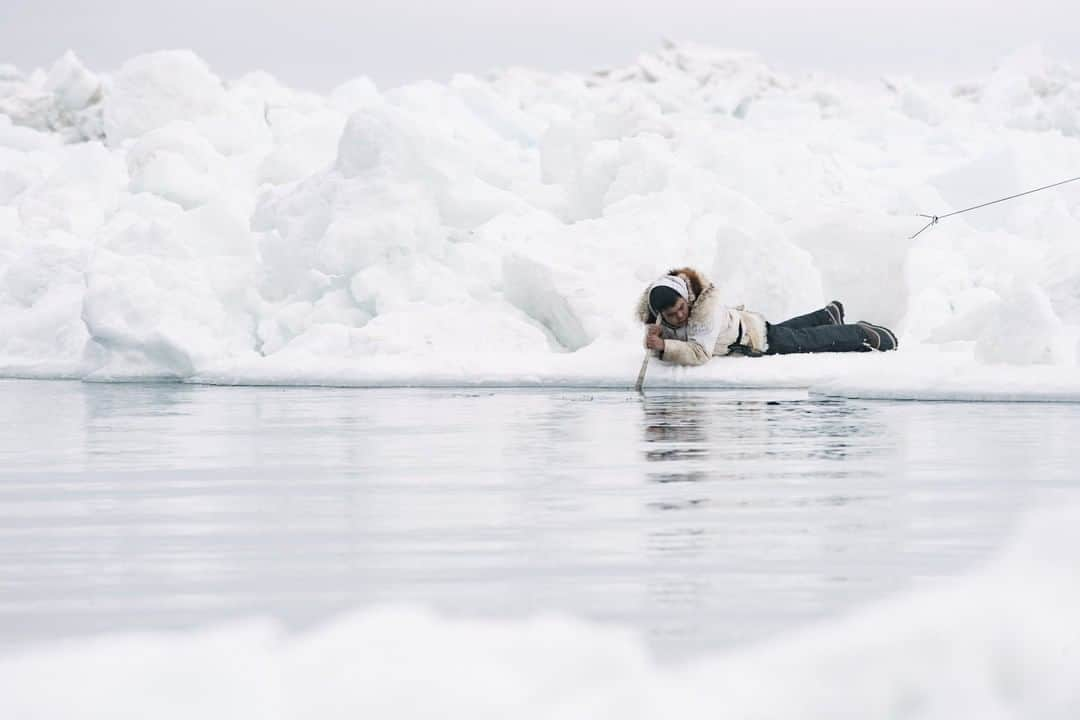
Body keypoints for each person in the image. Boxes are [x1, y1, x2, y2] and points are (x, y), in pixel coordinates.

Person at [637, 267, 897, 365]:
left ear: (687, 297)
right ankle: (827, 316)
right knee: (789, 333)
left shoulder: (706, 310)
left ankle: (862, 334)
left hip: (753, 337)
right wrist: (655, 340)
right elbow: (665, 342)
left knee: (804, 341)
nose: (680, 316)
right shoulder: (661, 318)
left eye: (681, 308)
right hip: (743, 327)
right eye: (671, 315)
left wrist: (664, 346)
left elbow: (699, 354)